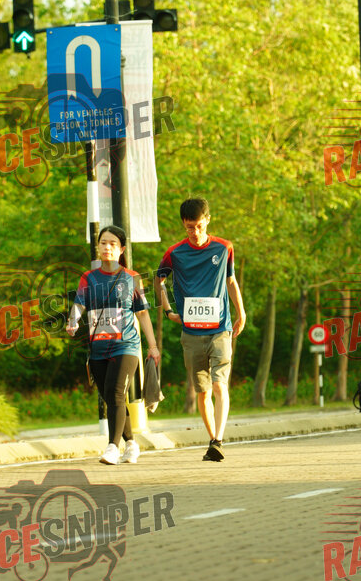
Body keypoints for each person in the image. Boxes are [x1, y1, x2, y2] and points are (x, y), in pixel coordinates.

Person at [155, 198, 245, 462]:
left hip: (220, 328)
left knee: (219, 383)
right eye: (189, 227)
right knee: (203, 391)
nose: (194, 232)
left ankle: (218, 440)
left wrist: (241, 312)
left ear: (207, 220)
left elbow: (231, 281)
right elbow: (159, 280)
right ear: (183, 225)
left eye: (198, 226)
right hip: (191, 332)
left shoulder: (224, 247)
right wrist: (168, 310)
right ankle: (213, 439)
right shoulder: (174, 253)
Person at [67, 225, 160, 465]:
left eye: (112, 243)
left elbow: (142, 314)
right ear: (98, 247)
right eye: (103, 243)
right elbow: (79, 303)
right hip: (98, 347)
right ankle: (131, 444)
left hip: (126, 345)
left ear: (121, 249)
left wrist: (152, 346)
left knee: (117, 392)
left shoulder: (132, 278)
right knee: (111, 397)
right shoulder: (89, 278)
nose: (107, 247)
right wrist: (73, 321)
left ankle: (112, 447)